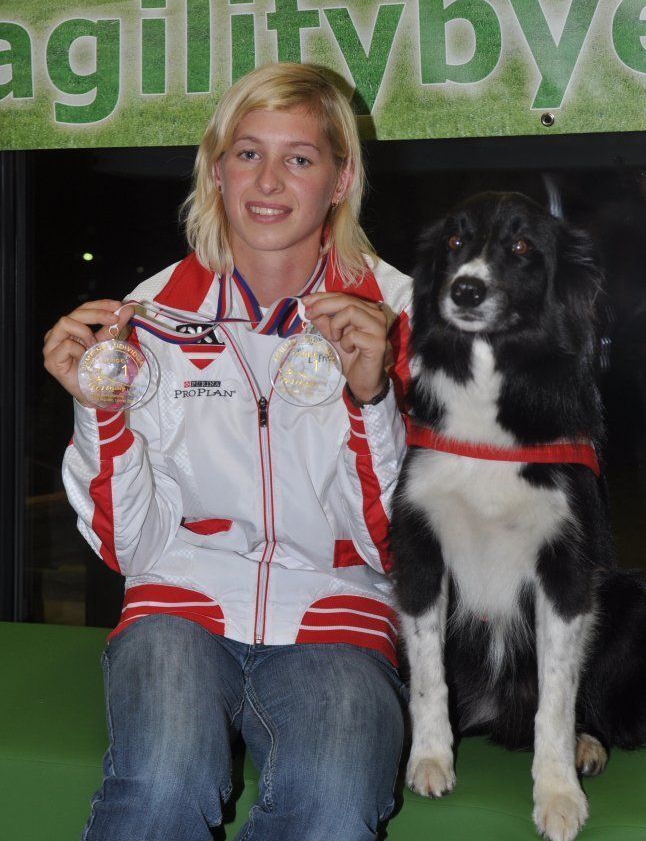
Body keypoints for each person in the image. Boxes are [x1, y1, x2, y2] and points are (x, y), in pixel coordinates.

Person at [43, 62, 412, 841]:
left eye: (299, 158)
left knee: (333, 803)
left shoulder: (400, 317)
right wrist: (99, 411)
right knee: (162, 787)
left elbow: (397, 551)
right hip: (179, 603)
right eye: (248, 153)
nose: (268, 182)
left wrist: (372, 399)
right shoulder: (148, 318)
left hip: (336, 610)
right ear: (216, 170)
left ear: (341, 180)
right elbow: (127, 548)